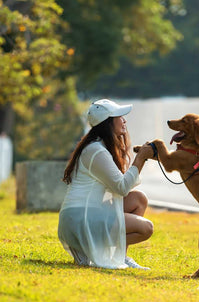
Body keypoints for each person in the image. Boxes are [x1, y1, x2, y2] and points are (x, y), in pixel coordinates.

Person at [58, 99, 154, 270]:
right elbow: (122, 187)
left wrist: (142, 160)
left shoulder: (96, 146)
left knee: (139, 199)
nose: (124, 120)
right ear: (108, 122)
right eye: (119, 116)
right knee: (146, 228)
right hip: (82, 219)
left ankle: (121, 256)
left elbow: (121, 186)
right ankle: (95, 250)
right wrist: (141, 159)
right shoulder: (96, 150)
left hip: (84, 215)